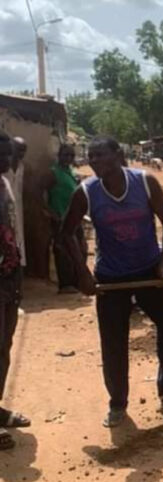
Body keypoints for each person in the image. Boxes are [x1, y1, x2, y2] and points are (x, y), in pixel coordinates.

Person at [62, 135, 163, 428]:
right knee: (113, 342)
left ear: (117, 154)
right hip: (111, 277)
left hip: (150, 270)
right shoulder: (86, 192)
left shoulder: (145, 182)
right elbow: (66, 233)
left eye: (100, 155)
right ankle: (118, 404)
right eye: (91, 156)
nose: (94, 161)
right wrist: (82, 273)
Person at [0, 131, 29, 450]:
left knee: (4, 345)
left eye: (8, 154)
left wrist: (17, 276)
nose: (7, 160)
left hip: (8, 279)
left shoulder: (4, 184)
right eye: (2, 155)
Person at [45, 144, 87, 293]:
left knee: (81, 249)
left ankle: (78, 281)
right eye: (65, 155)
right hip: (60, 219)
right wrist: (50, 212)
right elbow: (41, 196)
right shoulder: (53, 173)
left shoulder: (71, 172)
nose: (68, 158)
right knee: (63, 252)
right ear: (59, 155)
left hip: (74, 218)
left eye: (71, 156)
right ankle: (66, 284)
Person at [5, 138, 26, 270]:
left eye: (23, 151)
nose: (21, 153)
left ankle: (18, 268)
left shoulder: (22, 167)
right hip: (5, 210)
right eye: (18, 149)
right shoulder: (3, 167)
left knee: (18, 239)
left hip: (17, 210)